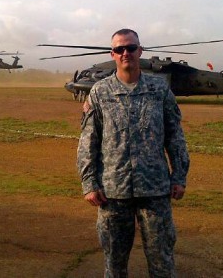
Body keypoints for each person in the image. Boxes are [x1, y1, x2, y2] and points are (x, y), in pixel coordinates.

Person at [77, 28, 190, 277]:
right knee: (114, 265)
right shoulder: (100, 92)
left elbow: (175, 137)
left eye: (130, 48)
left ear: (140, 51)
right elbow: (88, 141)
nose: (125, 52)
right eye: (119, 49)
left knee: (162, 262)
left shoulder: (159, 90)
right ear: (113, 54)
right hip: (112, 192)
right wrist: (89, 182)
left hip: (155, 191)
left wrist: (179, 176)